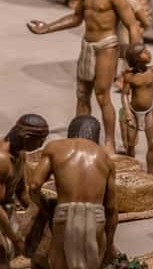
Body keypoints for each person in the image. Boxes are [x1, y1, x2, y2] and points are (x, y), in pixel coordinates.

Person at [27, 0, 140, 153]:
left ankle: (109, 142)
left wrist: (135, 53)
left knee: (102, 95)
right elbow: (76, 18)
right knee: (82, 94)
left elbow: (132, 24)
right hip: (87, 45)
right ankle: (80, 138)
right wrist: (47, 28)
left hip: (106, 46)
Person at [29, 115, 117, 269]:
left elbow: (34, 186)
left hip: (65, 214)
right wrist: (109, 245)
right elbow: (111, 209)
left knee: (60, 263)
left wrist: (44, 207)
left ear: (70, 133)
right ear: (96, 137)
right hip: (96, 216)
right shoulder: (106, 159)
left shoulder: (54, 148)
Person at [0, 114, 49, 266]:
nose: (41, 145)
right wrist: (15, 239)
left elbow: (21, 192)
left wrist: (42, 210)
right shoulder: (2, 160)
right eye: (40, 140)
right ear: (27, 138)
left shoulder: (19, 154)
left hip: (6, 212)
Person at [121, 44, 153, 174]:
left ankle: (150, 172)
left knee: (152, 144)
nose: (148, 53)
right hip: (133, 112)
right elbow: (124, 95)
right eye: (144, 52)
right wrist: (127, 112)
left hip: (148, 112)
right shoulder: (129, 76)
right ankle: (130, 170)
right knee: (131, 144)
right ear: (137, 58)